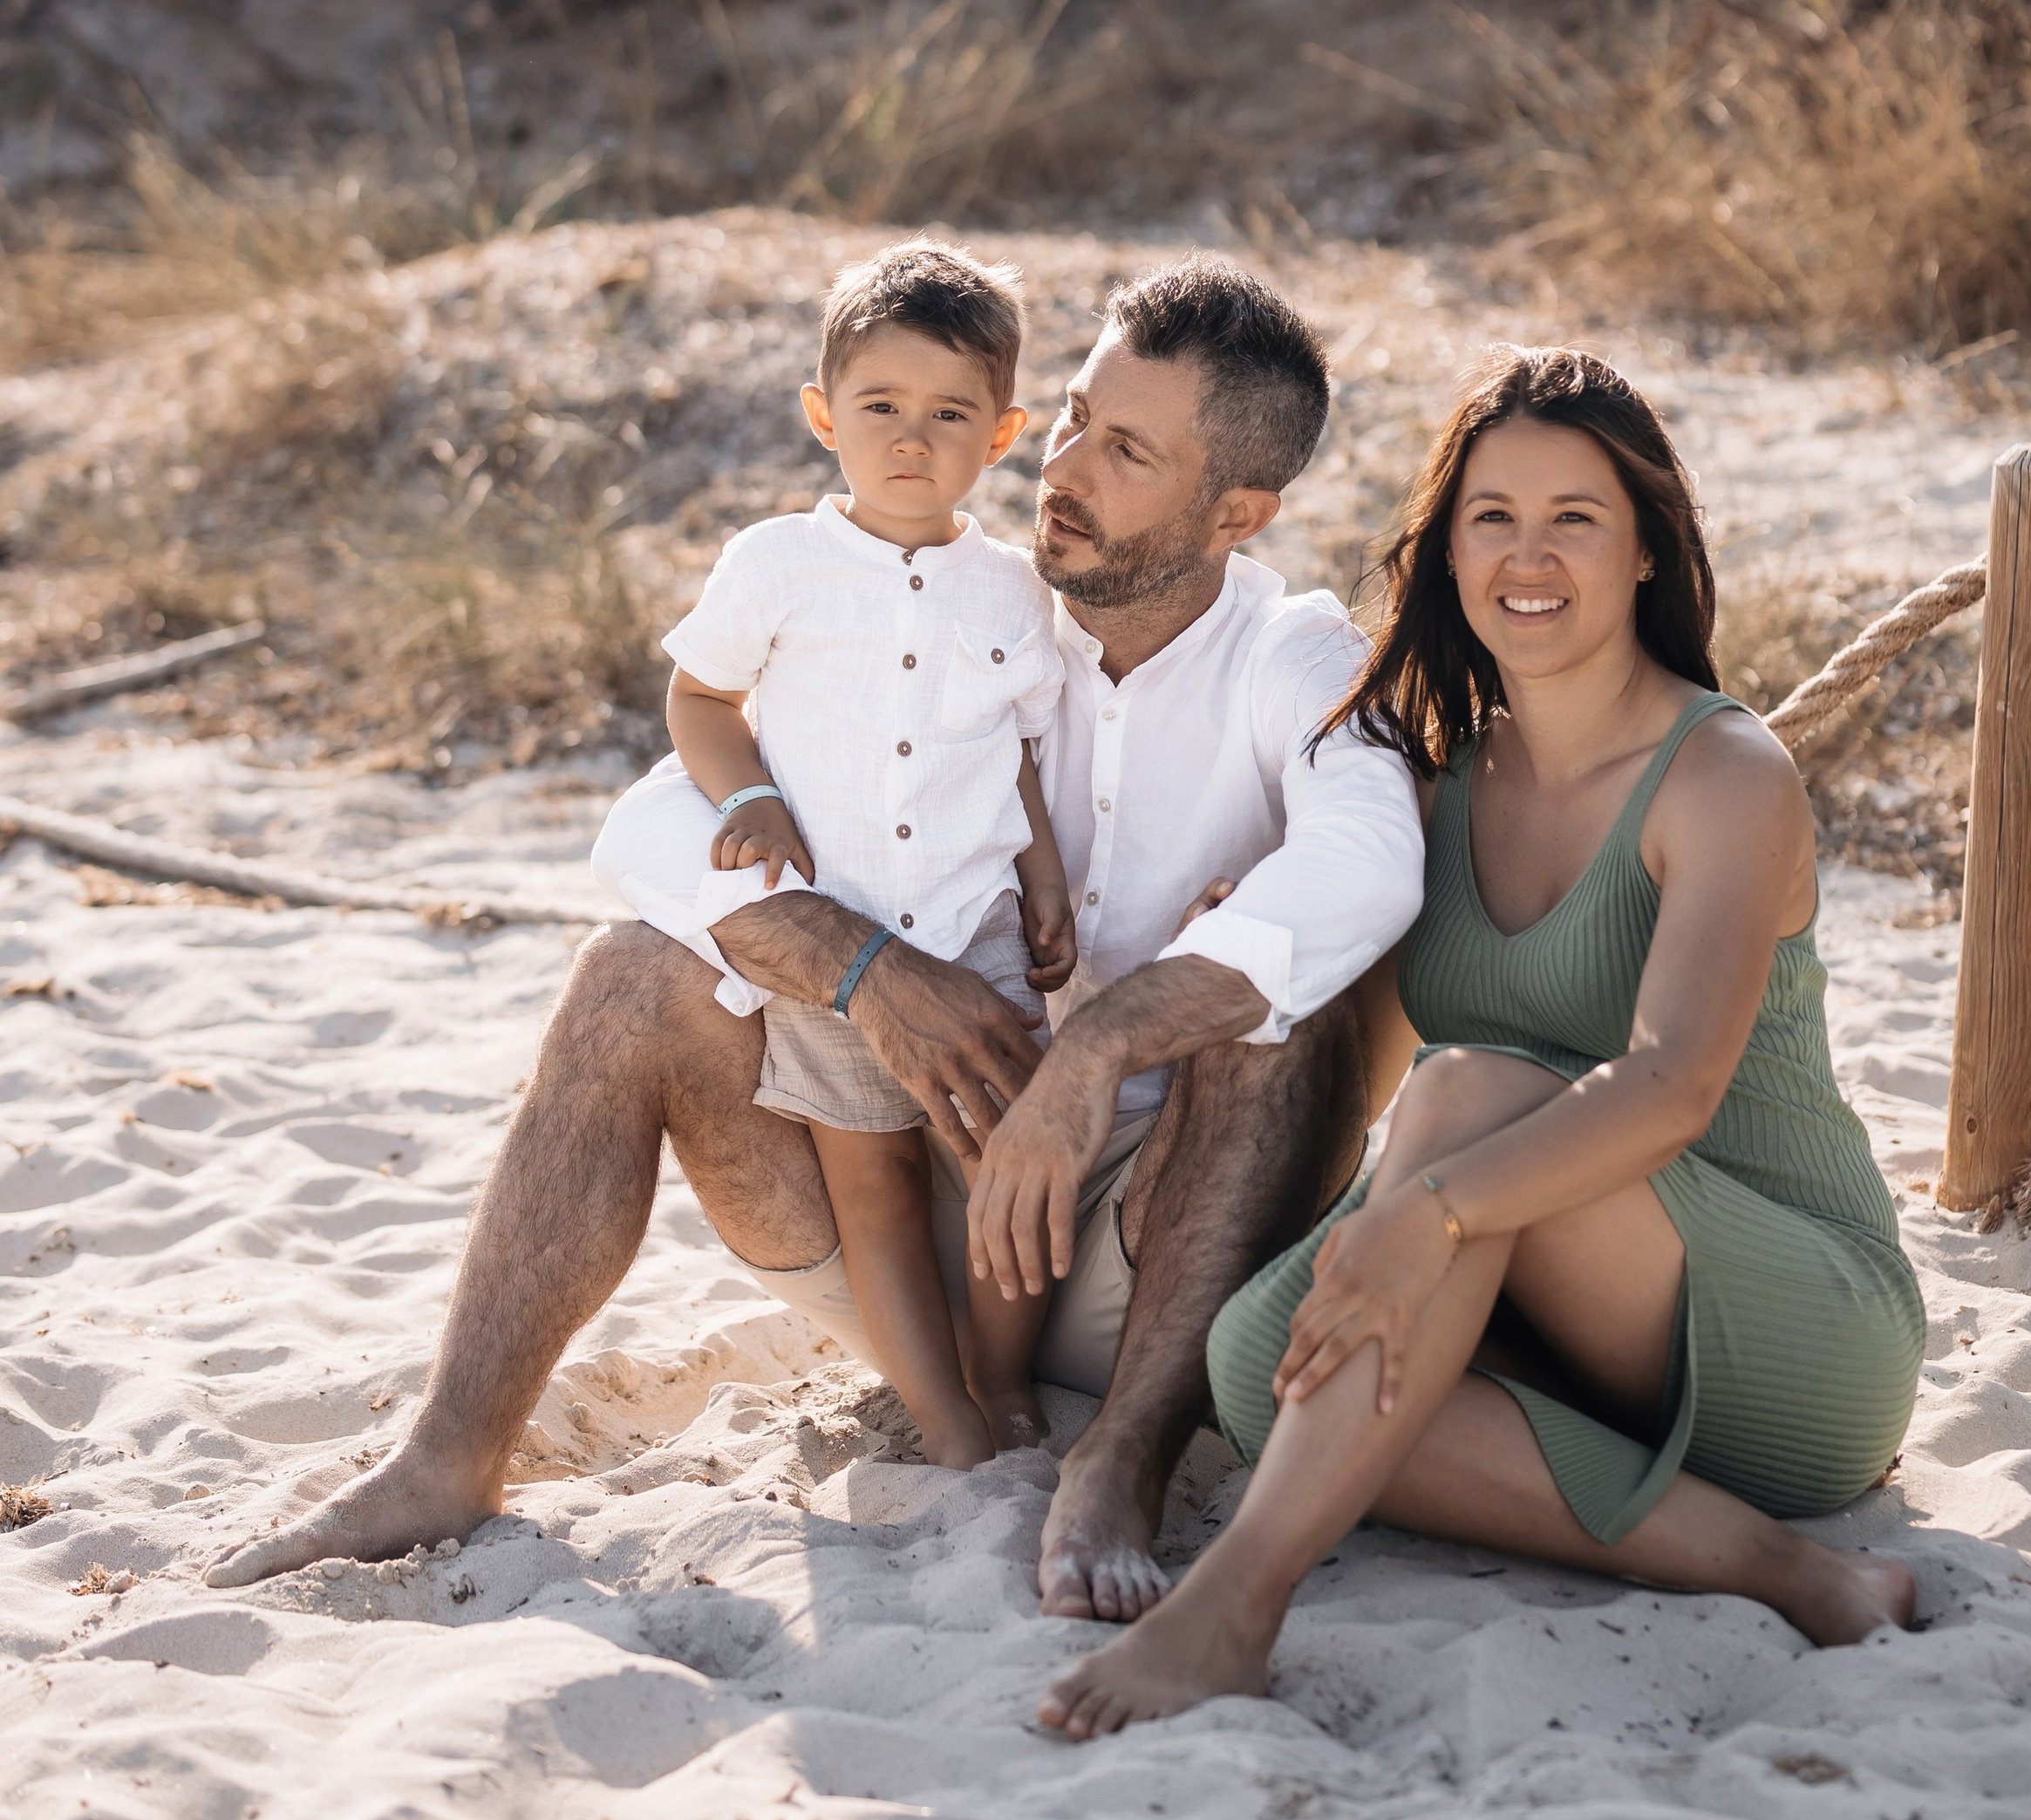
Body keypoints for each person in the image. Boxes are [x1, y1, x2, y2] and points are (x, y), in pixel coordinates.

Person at [208, 257, 1427, 1620]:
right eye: (1074, 415)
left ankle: (1123, 1465)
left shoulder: (1295, 655)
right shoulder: (956, 604)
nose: (1064, 466)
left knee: (1286, 1007)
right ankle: (445, 1459)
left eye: (1125, 449)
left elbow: (1370, 860)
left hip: (1157, 1251)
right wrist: (860, 965)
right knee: (628, 977)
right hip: (902, 1207)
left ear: (1237, 510)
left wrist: (1105, 1041)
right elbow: (657, 826)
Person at [1038, 345, 1927, 1739]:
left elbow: (1676, 1086)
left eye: (1576, 517)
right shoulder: (1444, 790)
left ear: (1645, 551)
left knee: (1467, 1100)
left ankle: (1233, 1606)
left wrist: (1427, 1214)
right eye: (1491, 516)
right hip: (1573, 1341)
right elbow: (1362, 1060)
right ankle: (1781, 1567)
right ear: (1448, 550)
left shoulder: (1726, 774)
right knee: (1264, 1360)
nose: (1529, 553)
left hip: (1792, 1324)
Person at [646, 239, 1077, 1468]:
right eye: (880, 406)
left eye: (949, 414)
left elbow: (1023, 758)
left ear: (1000, 437)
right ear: (823, 414)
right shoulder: (777, 563)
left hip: (976, 935)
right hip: (836, 932)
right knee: (873, 1192)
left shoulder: (1011, 590)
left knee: (1010, 1164)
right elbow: (700, 699)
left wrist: (1043, 876)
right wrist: (755, 797)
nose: (910, 438)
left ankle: (1001, 1381)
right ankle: (941, 1415)